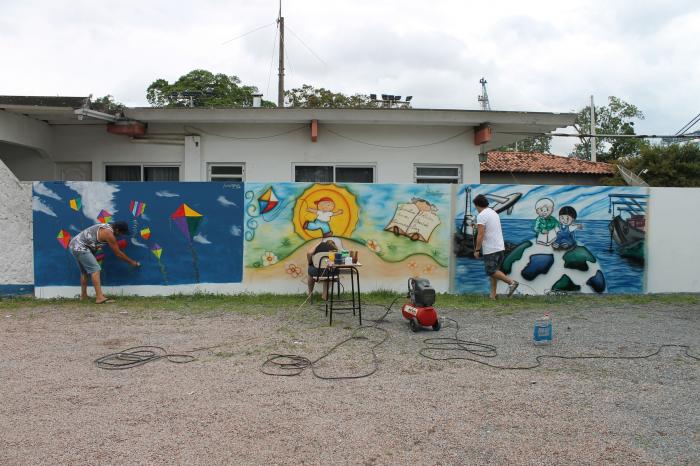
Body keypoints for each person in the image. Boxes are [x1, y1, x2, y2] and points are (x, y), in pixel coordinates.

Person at [68, 221, 140, 304]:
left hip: (75, 244)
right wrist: (132, 262)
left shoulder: (107, 226)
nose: (121, 235)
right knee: (95, 270)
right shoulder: (109, 234)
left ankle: (83, 296)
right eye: (121, 233)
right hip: (80, 247)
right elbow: (118, 253)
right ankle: (99, 297)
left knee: (84, 272)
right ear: (116, 230)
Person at [473, 194, 519, 299]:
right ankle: (492, 296)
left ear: (477, 205)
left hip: (491, 248)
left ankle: (512, 283)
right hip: (499, 247)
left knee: (491, 271)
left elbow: (480, 234)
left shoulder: (482, 215)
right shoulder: (493, 212)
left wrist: (477, 249)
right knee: (494, 272)